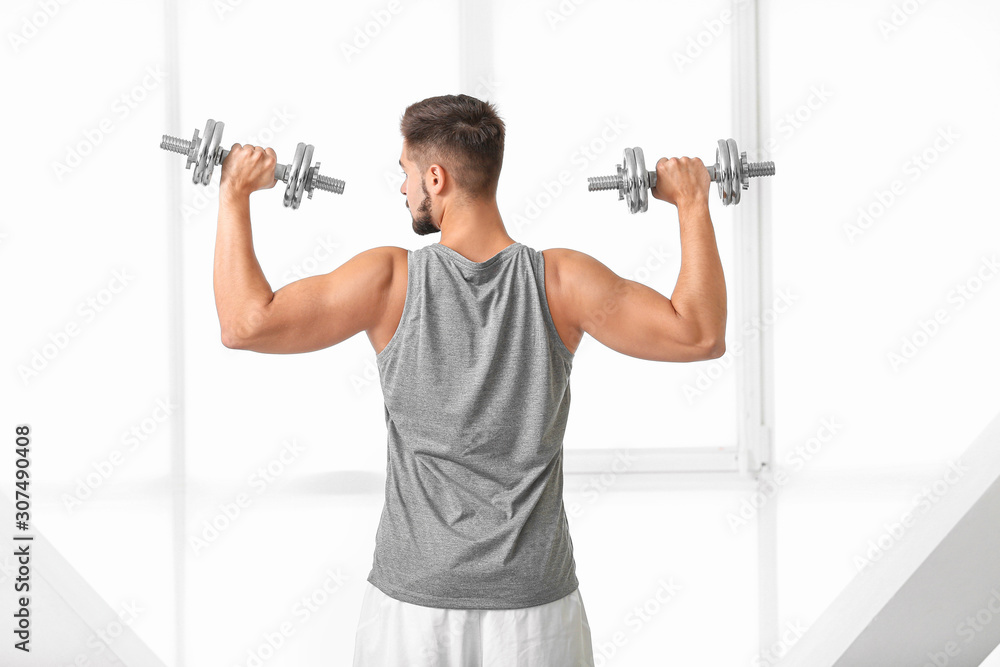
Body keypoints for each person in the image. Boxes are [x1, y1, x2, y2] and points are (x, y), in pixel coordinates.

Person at [214, 94, 726, 666]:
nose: (403, 189)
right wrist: (691, 202)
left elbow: (244, 325)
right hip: (535, 613)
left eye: (405, 174)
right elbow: (698, 335)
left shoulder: (388, 280)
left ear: (435, 177)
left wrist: (235, 193)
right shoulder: (562, 280)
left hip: (414, 612)